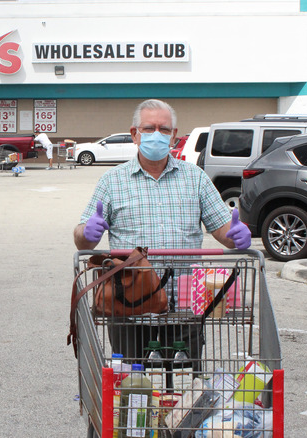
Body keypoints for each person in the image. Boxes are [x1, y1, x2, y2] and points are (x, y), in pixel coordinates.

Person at [73, 99, 252, 366]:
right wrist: (87, 233)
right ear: (134, 134)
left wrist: (236, 234)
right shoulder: (112, 181)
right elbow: (82, 240)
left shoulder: (195, 178)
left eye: (164, 129)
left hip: (184, 305)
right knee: (131, 378)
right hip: (129, 304)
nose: (156, 135)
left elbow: (223, 229)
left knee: (185, 379)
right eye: (149, 128)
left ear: (174, 136)